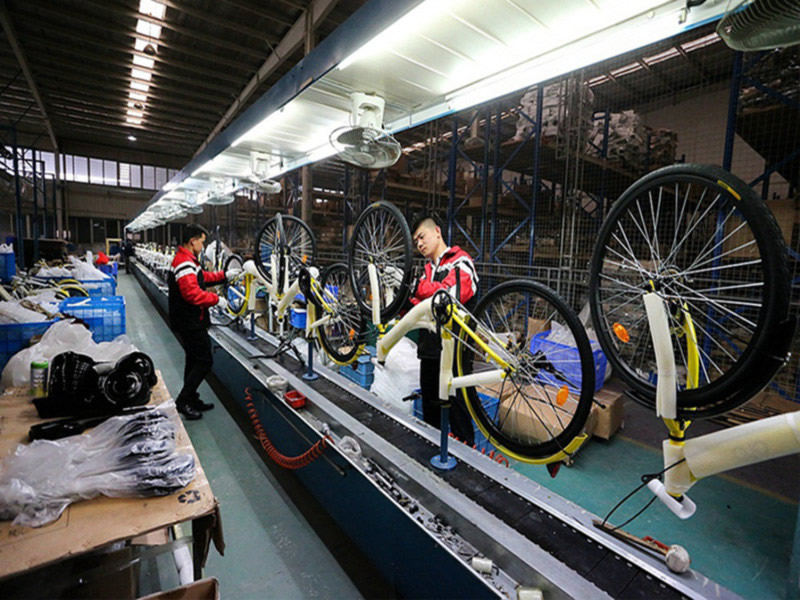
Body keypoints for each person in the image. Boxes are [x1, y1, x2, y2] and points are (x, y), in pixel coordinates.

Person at [410, 215, 478, 446]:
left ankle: (468, 463)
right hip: (429, 350)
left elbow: (451, 295)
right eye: (415, 241)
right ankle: (432, 451)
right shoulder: (427, 270)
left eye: (422, 236)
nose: (419, 244)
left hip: (455, 350)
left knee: (459, 408)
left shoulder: (461, 260)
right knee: (430, 408)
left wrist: (417, 288)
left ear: (437, 231)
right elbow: (416, 307)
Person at [168, 224, 233, 420]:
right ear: (192, 241)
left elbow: (201, 278)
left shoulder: (187, 260)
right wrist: (217, 300)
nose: (203, 246)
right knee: (205, 360)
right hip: (190, 321)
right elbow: (192, 294)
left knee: (193, 359)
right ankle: (183, 400)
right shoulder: (185, 263)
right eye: (202, 242)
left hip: (188, 320)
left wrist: (223, 276)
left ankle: (191, 398)